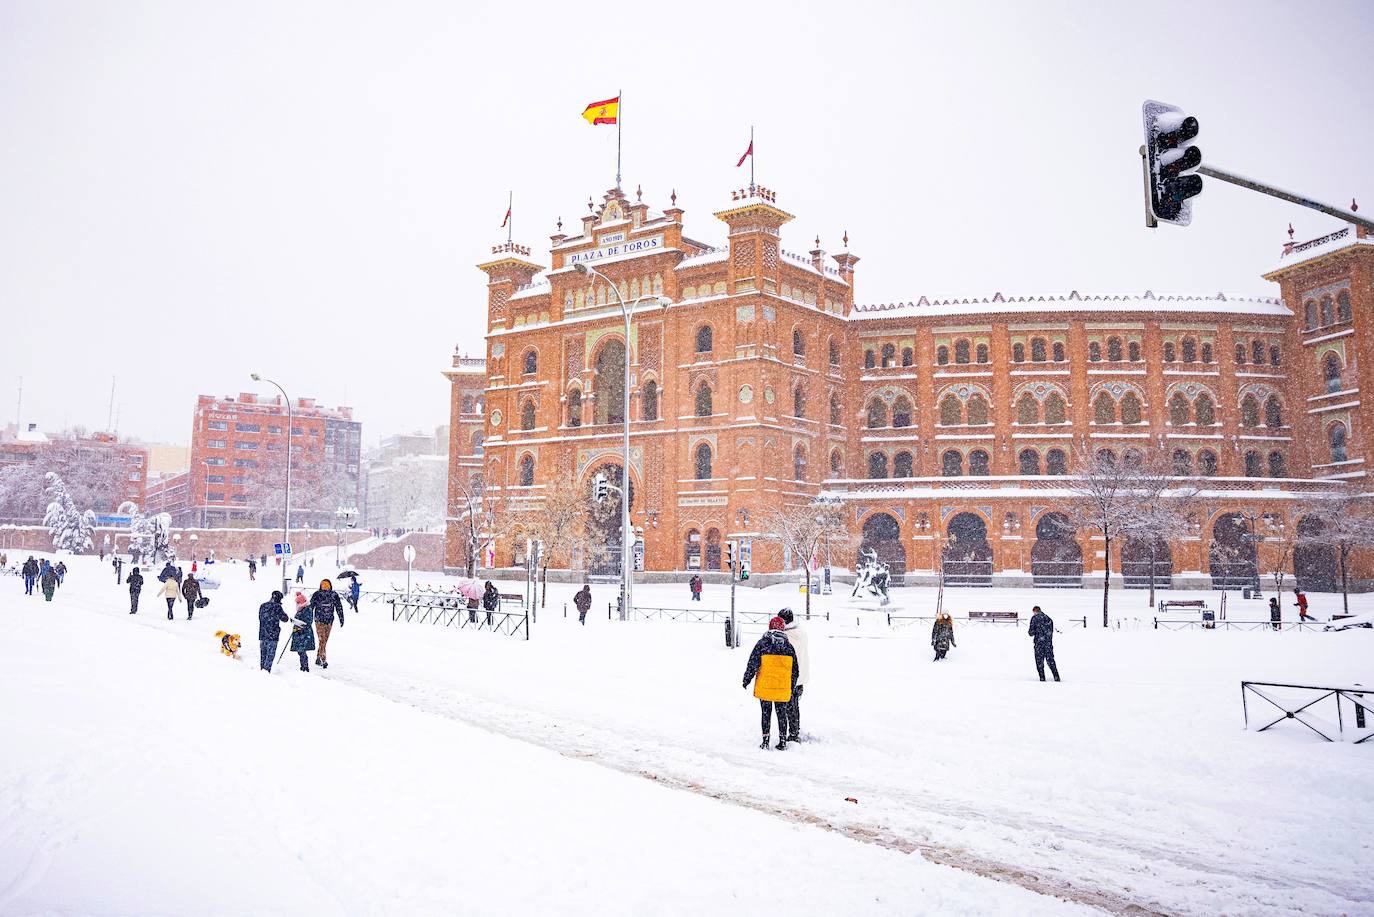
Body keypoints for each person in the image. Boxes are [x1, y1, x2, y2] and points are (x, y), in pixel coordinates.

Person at [742, 616, 798, 750]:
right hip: (782, 688)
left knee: (765, 713)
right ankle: (782, 741)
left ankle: (765, 741)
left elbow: (753, 663)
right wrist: (791, 686)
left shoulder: (762, 643)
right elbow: (795, 670)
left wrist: (746, 679)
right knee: (781, 714)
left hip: (765, 686)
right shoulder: (789, 646)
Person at [779, 609, 810, 742]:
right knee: (794, 704)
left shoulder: (789, 636)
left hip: (792, 677)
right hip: (801, 675)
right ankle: (794, 730)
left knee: (791, 706)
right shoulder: (801, 631)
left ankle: (793, 733)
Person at [309, 579, 344, 669]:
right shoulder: (317, 595)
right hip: (319, 620)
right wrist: (307, 617)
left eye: (326, 585)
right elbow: (311, 607)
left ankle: (318, 657)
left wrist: (341, 618)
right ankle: (323, 659)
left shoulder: (334, 595)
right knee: (322, 640)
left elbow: (339, 607)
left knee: (324, 640)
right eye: (323, 585)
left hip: (329, 621)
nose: (325, 587)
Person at [258, 590, 290, 672]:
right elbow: (285, 618)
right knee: (270, 655)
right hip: (273, 635)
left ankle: (262, 670)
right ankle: (266, 672)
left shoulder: (263, 606)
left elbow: (261, 618)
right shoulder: (277, 607)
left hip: (262, 634)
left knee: (263, 654)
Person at [1028, 605, 1060, 682]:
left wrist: (1035, 632)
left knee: (1039, 661)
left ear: (1035, 611)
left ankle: (1042, 678)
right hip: (1048, 644)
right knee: (1050, 661)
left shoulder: (1034, 619)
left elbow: (1031, 633)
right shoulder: (1048, 618)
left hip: (1039, 644)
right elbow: (1050, 632)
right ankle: (1056, 676)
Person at [289, 591, 315, 672]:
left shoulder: (307, 609)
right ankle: (303, 666)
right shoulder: (301, 609)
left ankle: (305, 667)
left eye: (297, 602)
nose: (296, 604)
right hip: (299, 633)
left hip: (304, 634)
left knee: (302, 651)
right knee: (300, 651)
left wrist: (298, 625)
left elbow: (308, 622)